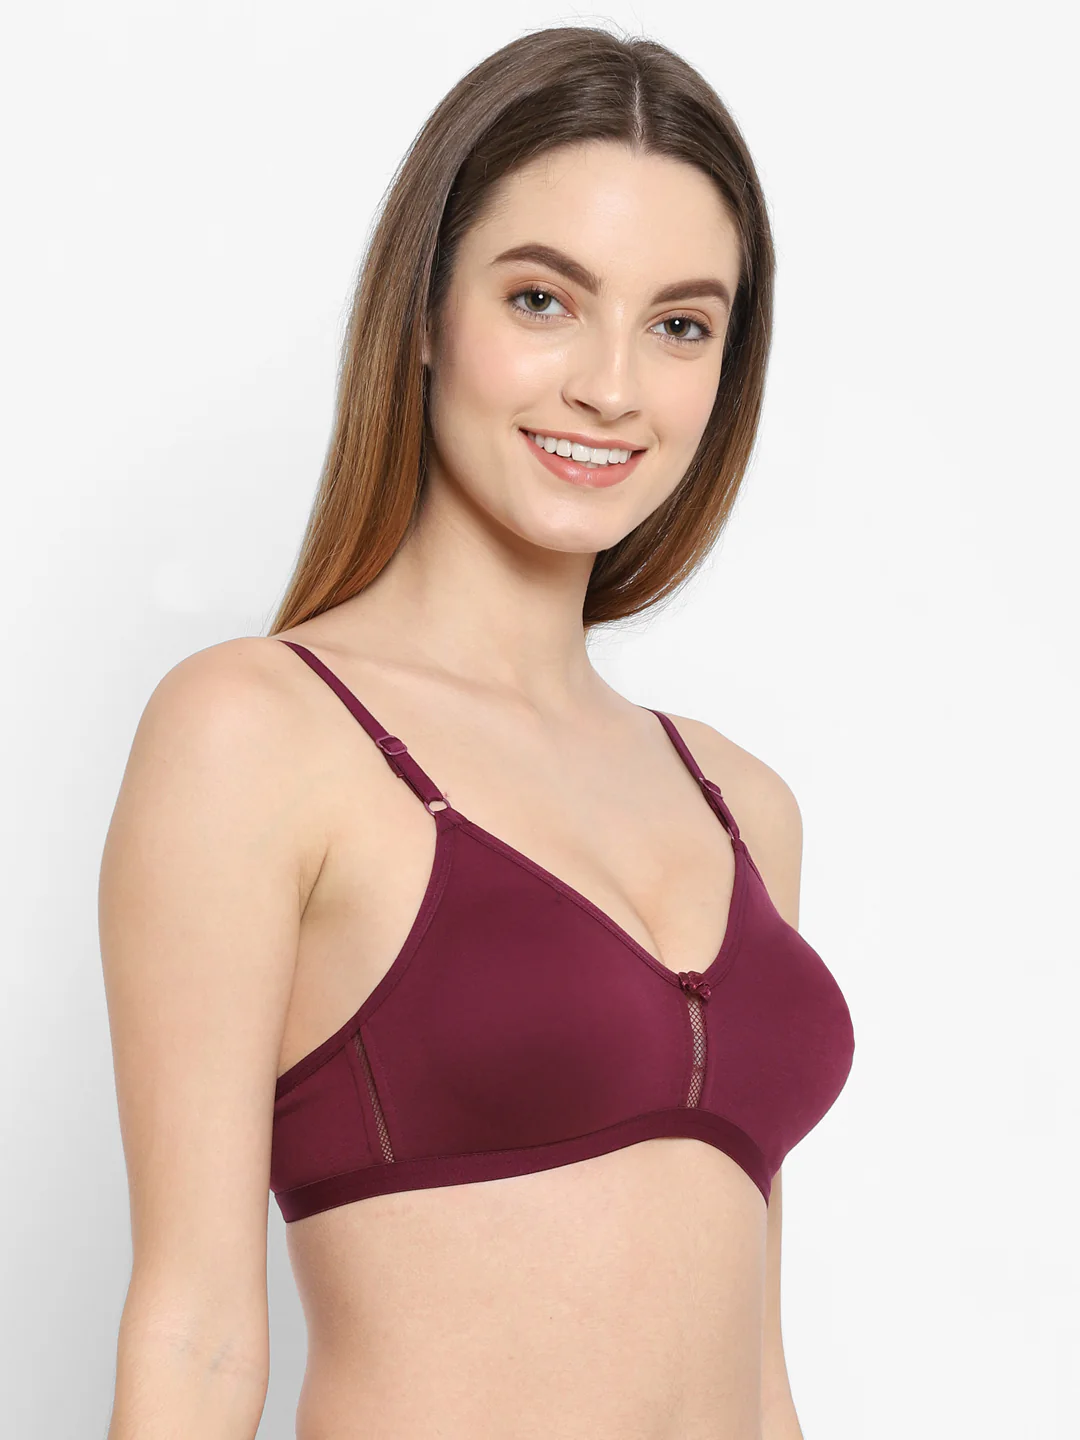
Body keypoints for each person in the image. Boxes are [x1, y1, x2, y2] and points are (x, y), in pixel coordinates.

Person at [99, 23, 855, 1440]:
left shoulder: (745, 804)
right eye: (543, 299)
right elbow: (196, 1332)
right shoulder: (257, 731)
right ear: (427, 316)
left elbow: (757, 1374)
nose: (611, 387)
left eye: (680, 325)